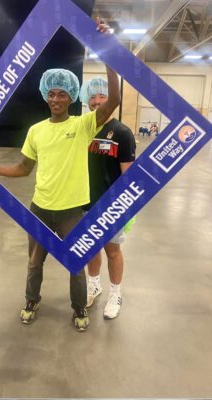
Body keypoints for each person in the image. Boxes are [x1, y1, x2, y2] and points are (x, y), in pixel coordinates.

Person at [0, 22, 120, 332]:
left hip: (72, 209)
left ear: (72, 97)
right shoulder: (36, 131)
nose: (56, 98)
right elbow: (23, 168)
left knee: (75, 263)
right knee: (35, 262)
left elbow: (112, 99)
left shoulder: (84, 125)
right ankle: (31, 300)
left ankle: (78, 308)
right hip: (40, 208)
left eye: (62, 94)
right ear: (46, 96)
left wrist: (109, 51)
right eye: (52, 93)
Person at [79, 77, 136, 319]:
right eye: (92, 96)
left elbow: (129, 176)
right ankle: (94, 285)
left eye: (102, 96)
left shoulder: (122, 133)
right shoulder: (82, 128)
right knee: (91, 250)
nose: (97, 101)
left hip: (111, 206)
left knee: (112, 251)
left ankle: (115, 293)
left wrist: (122, 208)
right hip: (83, 204)